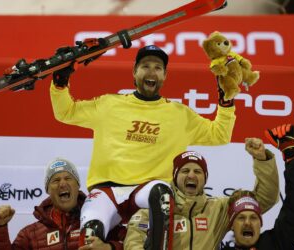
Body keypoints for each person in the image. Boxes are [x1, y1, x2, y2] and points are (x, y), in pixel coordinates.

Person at [50, 44, 237, 248]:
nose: (151, 72)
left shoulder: (180, 115)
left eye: (157, 68)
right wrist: (60, 82)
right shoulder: (109, 104)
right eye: (145, 66)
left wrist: (226, 102)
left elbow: (219, 135)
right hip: (107, 191)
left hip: (147, 190)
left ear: (165, 75)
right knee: (90, 235)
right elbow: (65, 112)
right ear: (134, 72)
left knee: (162, 193)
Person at [124, 137, 279, 250]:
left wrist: (262, 160)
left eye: (197, 171)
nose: (191, 175)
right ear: (175, 177)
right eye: (185, 171)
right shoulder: (151, 211)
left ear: (205, 179)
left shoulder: (219, 209)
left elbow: (264, 199)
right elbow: (133, 242)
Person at [0, 157, 123, 250]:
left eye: (68, 178)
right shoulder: (30, 234)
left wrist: (109, 248)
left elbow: (132, 244)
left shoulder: (101, 219)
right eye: (55, 180)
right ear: (48, 190)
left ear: (78, 186)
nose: (63, 183)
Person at [221, 123, 294, 250]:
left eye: (253, 217)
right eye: (241, 218)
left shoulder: (275, 244)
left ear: (260, 223)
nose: (247, 223)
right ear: (231, 225)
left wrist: (292, 159)